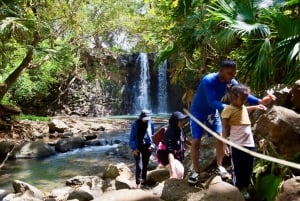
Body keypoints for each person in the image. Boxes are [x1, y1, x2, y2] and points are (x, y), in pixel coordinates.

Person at [189, 59, 276, 180]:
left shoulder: (229, 81)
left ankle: (220, 165)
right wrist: (232, 109)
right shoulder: (208, 80)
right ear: (221, 71)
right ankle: (196, 171)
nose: (232, 76)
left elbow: (242, 93)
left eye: (234, 74)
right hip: (198, 112)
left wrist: (259, 101)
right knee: (196, 141)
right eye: (230, 73)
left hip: (211, 113)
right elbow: (212, 101)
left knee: (219, 137)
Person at [221, 84, 267, 199]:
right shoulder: (228, 110)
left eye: (246, 98)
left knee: (248, 166)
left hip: (249, 144)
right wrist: (224, 144)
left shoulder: (241, 106)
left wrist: (256, 107)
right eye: (243, 98)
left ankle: (245, 187)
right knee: (238, 167)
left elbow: (244, 108)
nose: (245, 101)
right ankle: (238, 188)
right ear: (233, 97)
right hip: (237, 145)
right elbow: (225, 128)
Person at [156, 111, 188, 179]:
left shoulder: (180, 128)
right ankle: (172, 177)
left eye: (183, 120)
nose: (183, 122)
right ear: (175, 121)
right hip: (164, 154)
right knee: (178, 171)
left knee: (180, 171)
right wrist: (173, 172)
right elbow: (170, 153)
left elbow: (184, 139)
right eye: (180, 120)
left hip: (175, 152)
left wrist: (193, 145)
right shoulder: (170, 133)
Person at [129, 109, 155, 188]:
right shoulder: (135, 124)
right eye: (145, 118)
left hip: (147, 147)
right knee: (139, 165)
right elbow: (132, 138)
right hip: (138, 146)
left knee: (145, 164)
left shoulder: (151, 124)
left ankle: (143, 181)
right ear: (141, 117)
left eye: (148, 118)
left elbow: (153, 137)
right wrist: (134, 148)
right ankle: (137, 183)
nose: (147, 120)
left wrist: (152, 146)